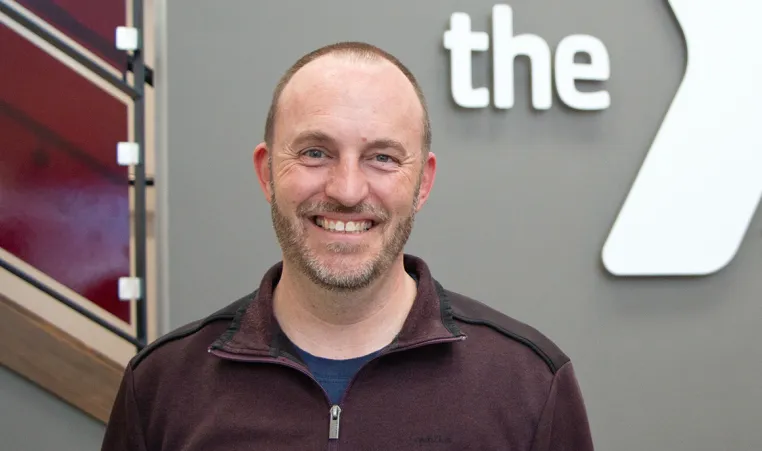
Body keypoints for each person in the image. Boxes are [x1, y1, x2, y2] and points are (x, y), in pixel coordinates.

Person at [101, 42, 594, 451]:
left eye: (382, 157)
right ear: (266, 172)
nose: (347, 189)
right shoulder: (163, 388)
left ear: (422, 183)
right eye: (316, 152)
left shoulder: (527, 384)